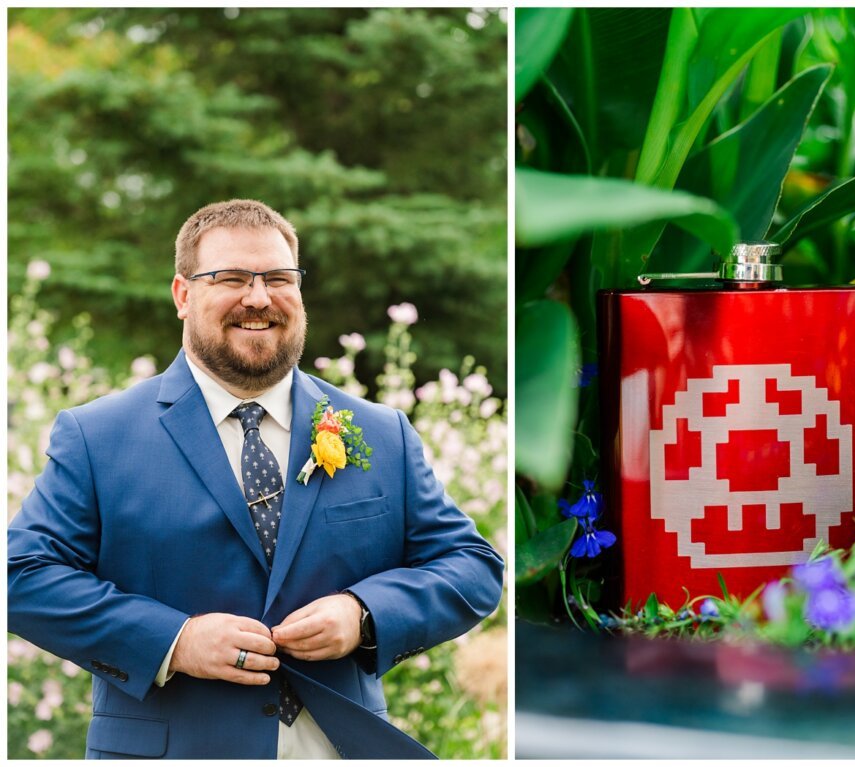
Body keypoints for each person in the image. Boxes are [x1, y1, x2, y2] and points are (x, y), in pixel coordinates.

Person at [8, 199, 505, 759]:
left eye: (278, 278)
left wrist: (364, 614)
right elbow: (22, 577)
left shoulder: (380, 432)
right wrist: (176, 641)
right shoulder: (98, 436)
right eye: (232, 278)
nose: (259, 297)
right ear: (183, 295)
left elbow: (473, 566)